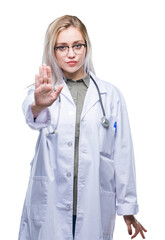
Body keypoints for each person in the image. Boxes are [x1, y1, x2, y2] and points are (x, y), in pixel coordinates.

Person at [18, 15, 147, 240]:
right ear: (52, 50)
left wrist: (127, 208)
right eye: (62, 47)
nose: (71, 53)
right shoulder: (44, 90)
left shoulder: (110, 95)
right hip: (52, 202)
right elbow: (32, 117)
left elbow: (122, 153)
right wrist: (38, 104)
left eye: (77, 45)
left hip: (93, 202)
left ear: (86, 47)